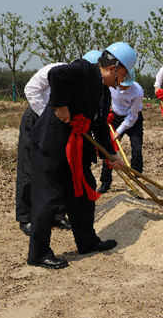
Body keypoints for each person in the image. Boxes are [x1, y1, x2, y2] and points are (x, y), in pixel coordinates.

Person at [27, 42, 136, 269]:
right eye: (122, 75)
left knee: (84, 193)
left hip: (76, 152)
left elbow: (99, 125)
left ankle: (87, 241)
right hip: (52, 146)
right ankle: (38, 253)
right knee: (48, 200)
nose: (121, 82)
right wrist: (61, 106)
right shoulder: (85, 70)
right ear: (114, 67)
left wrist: (110, 155)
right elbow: (57, 74)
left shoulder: (103, 92)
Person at [16, 63, 69, 236]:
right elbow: (30, 89)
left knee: (57, 168)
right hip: (36, 118)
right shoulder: (57, 70)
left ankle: (57, 214)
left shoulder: (85, 84)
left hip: (58, 124)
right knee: (28, 168)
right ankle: (26, 217)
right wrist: (46, 117)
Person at [98, 68, 144, 193]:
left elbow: (132, 116)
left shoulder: (138, 92)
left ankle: (137, 181)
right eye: (122, 84)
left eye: (127, 85)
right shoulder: (111, 85)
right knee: (109, 151)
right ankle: (105, 183)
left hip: (133, 120)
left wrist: (119, 131)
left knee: (137, 150)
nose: (124, 87)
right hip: (115, 117)